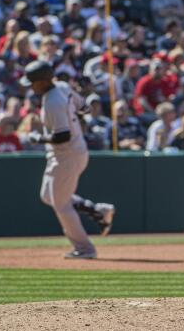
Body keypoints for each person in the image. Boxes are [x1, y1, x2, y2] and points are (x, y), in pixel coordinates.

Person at [20, 61, 115, 259]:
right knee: (48, 196)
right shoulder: (62, 87)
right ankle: (97, 211)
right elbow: (85, 108)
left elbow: (62, 136)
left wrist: (39, 138)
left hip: (67, 155)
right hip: (70, 152)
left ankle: (84, 248)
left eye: (34, 82)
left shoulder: (53, 101)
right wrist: (73, 116)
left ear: (44, 81)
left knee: (61, 204)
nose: (31, 86)